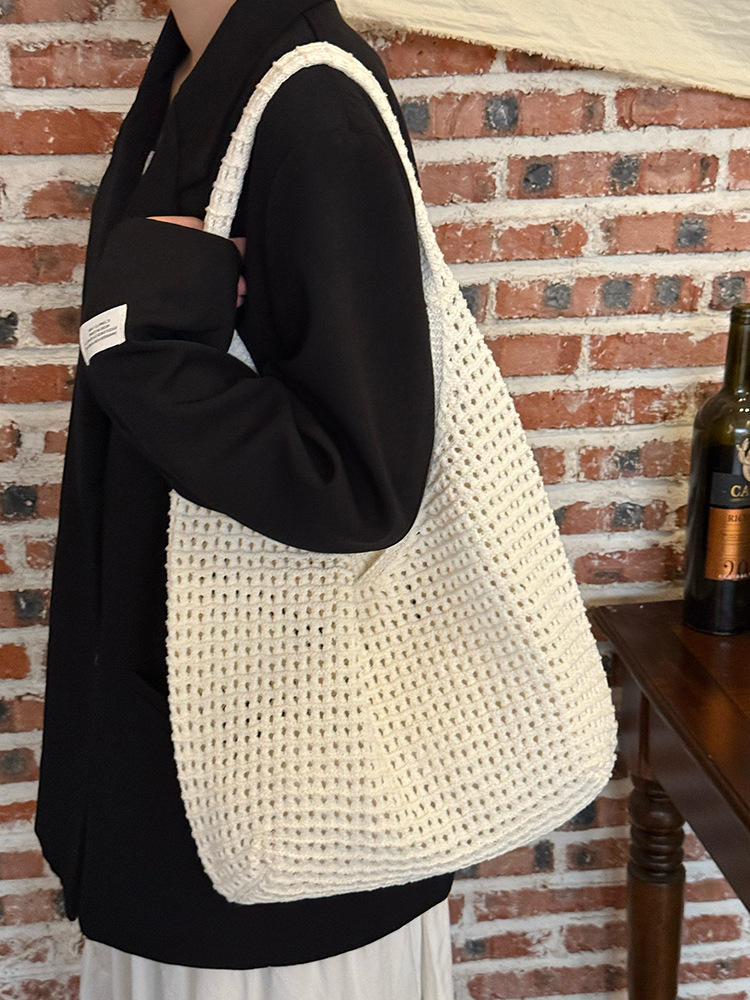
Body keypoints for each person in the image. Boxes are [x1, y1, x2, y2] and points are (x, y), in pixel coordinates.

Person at [35, 0, 455, 996]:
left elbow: (362, 480)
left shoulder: (311, 105)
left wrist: (143, 334)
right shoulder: (196, 62)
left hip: (276, 807)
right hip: (189, 751)